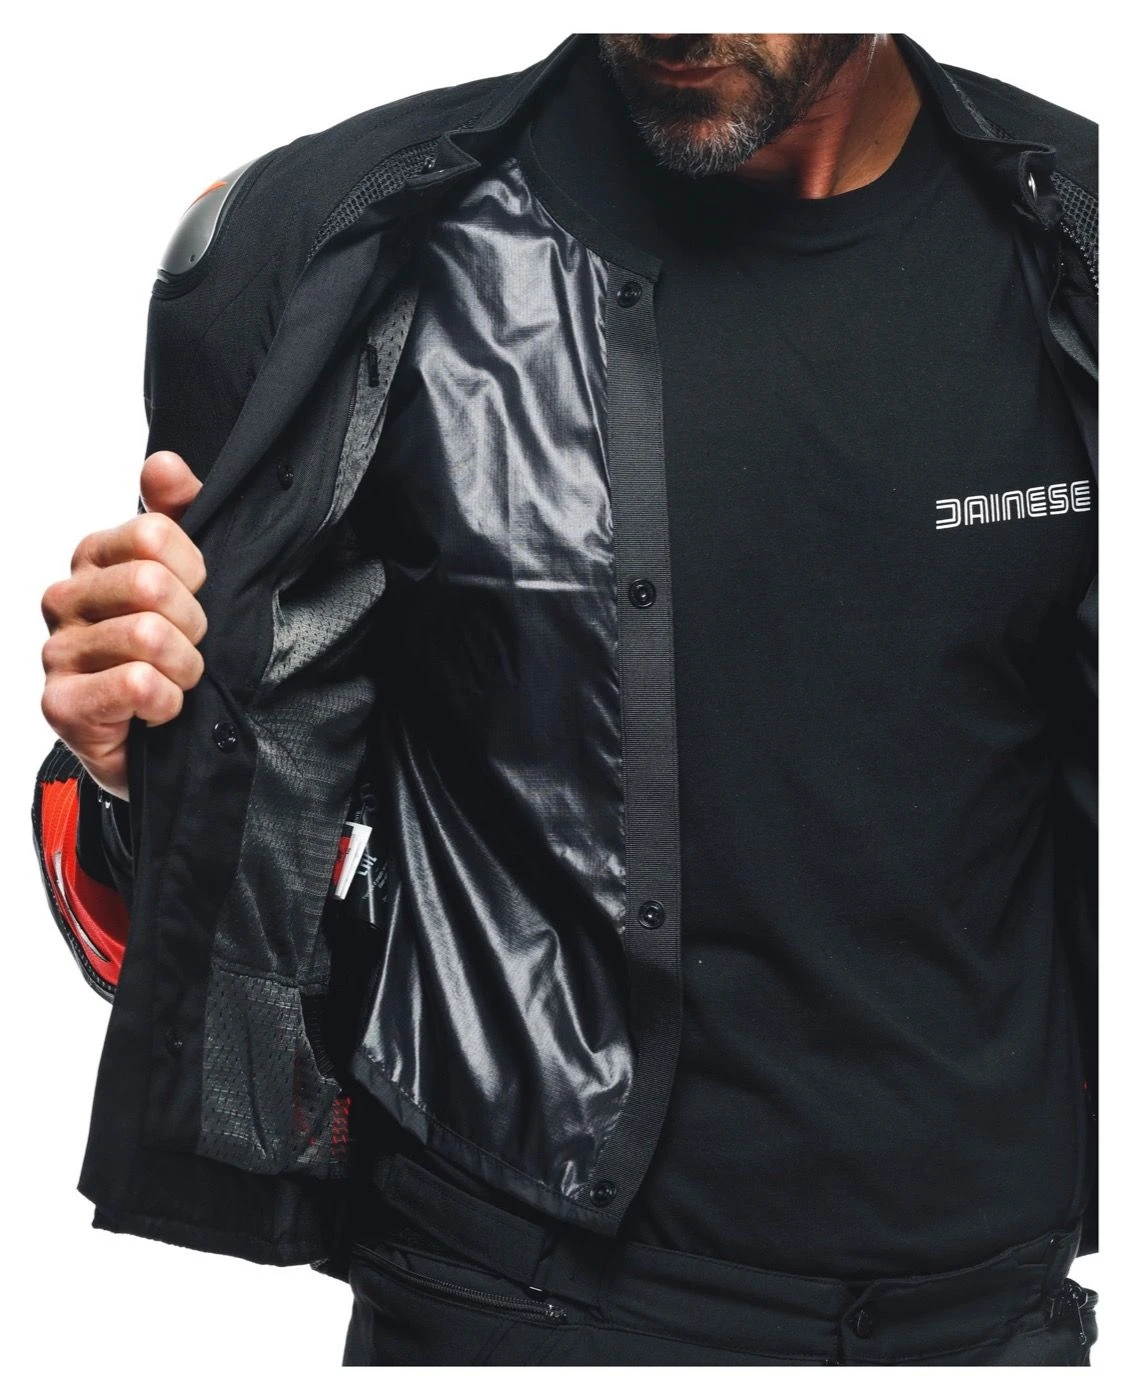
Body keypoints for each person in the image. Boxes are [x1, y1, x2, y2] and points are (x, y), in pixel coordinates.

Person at [33, 32, 1098, 1365]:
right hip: (514, 1305)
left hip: (995, 1319)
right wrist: (133, 770)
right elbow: (211, 909)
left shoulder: (1078, 241)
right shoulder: (352, 247)